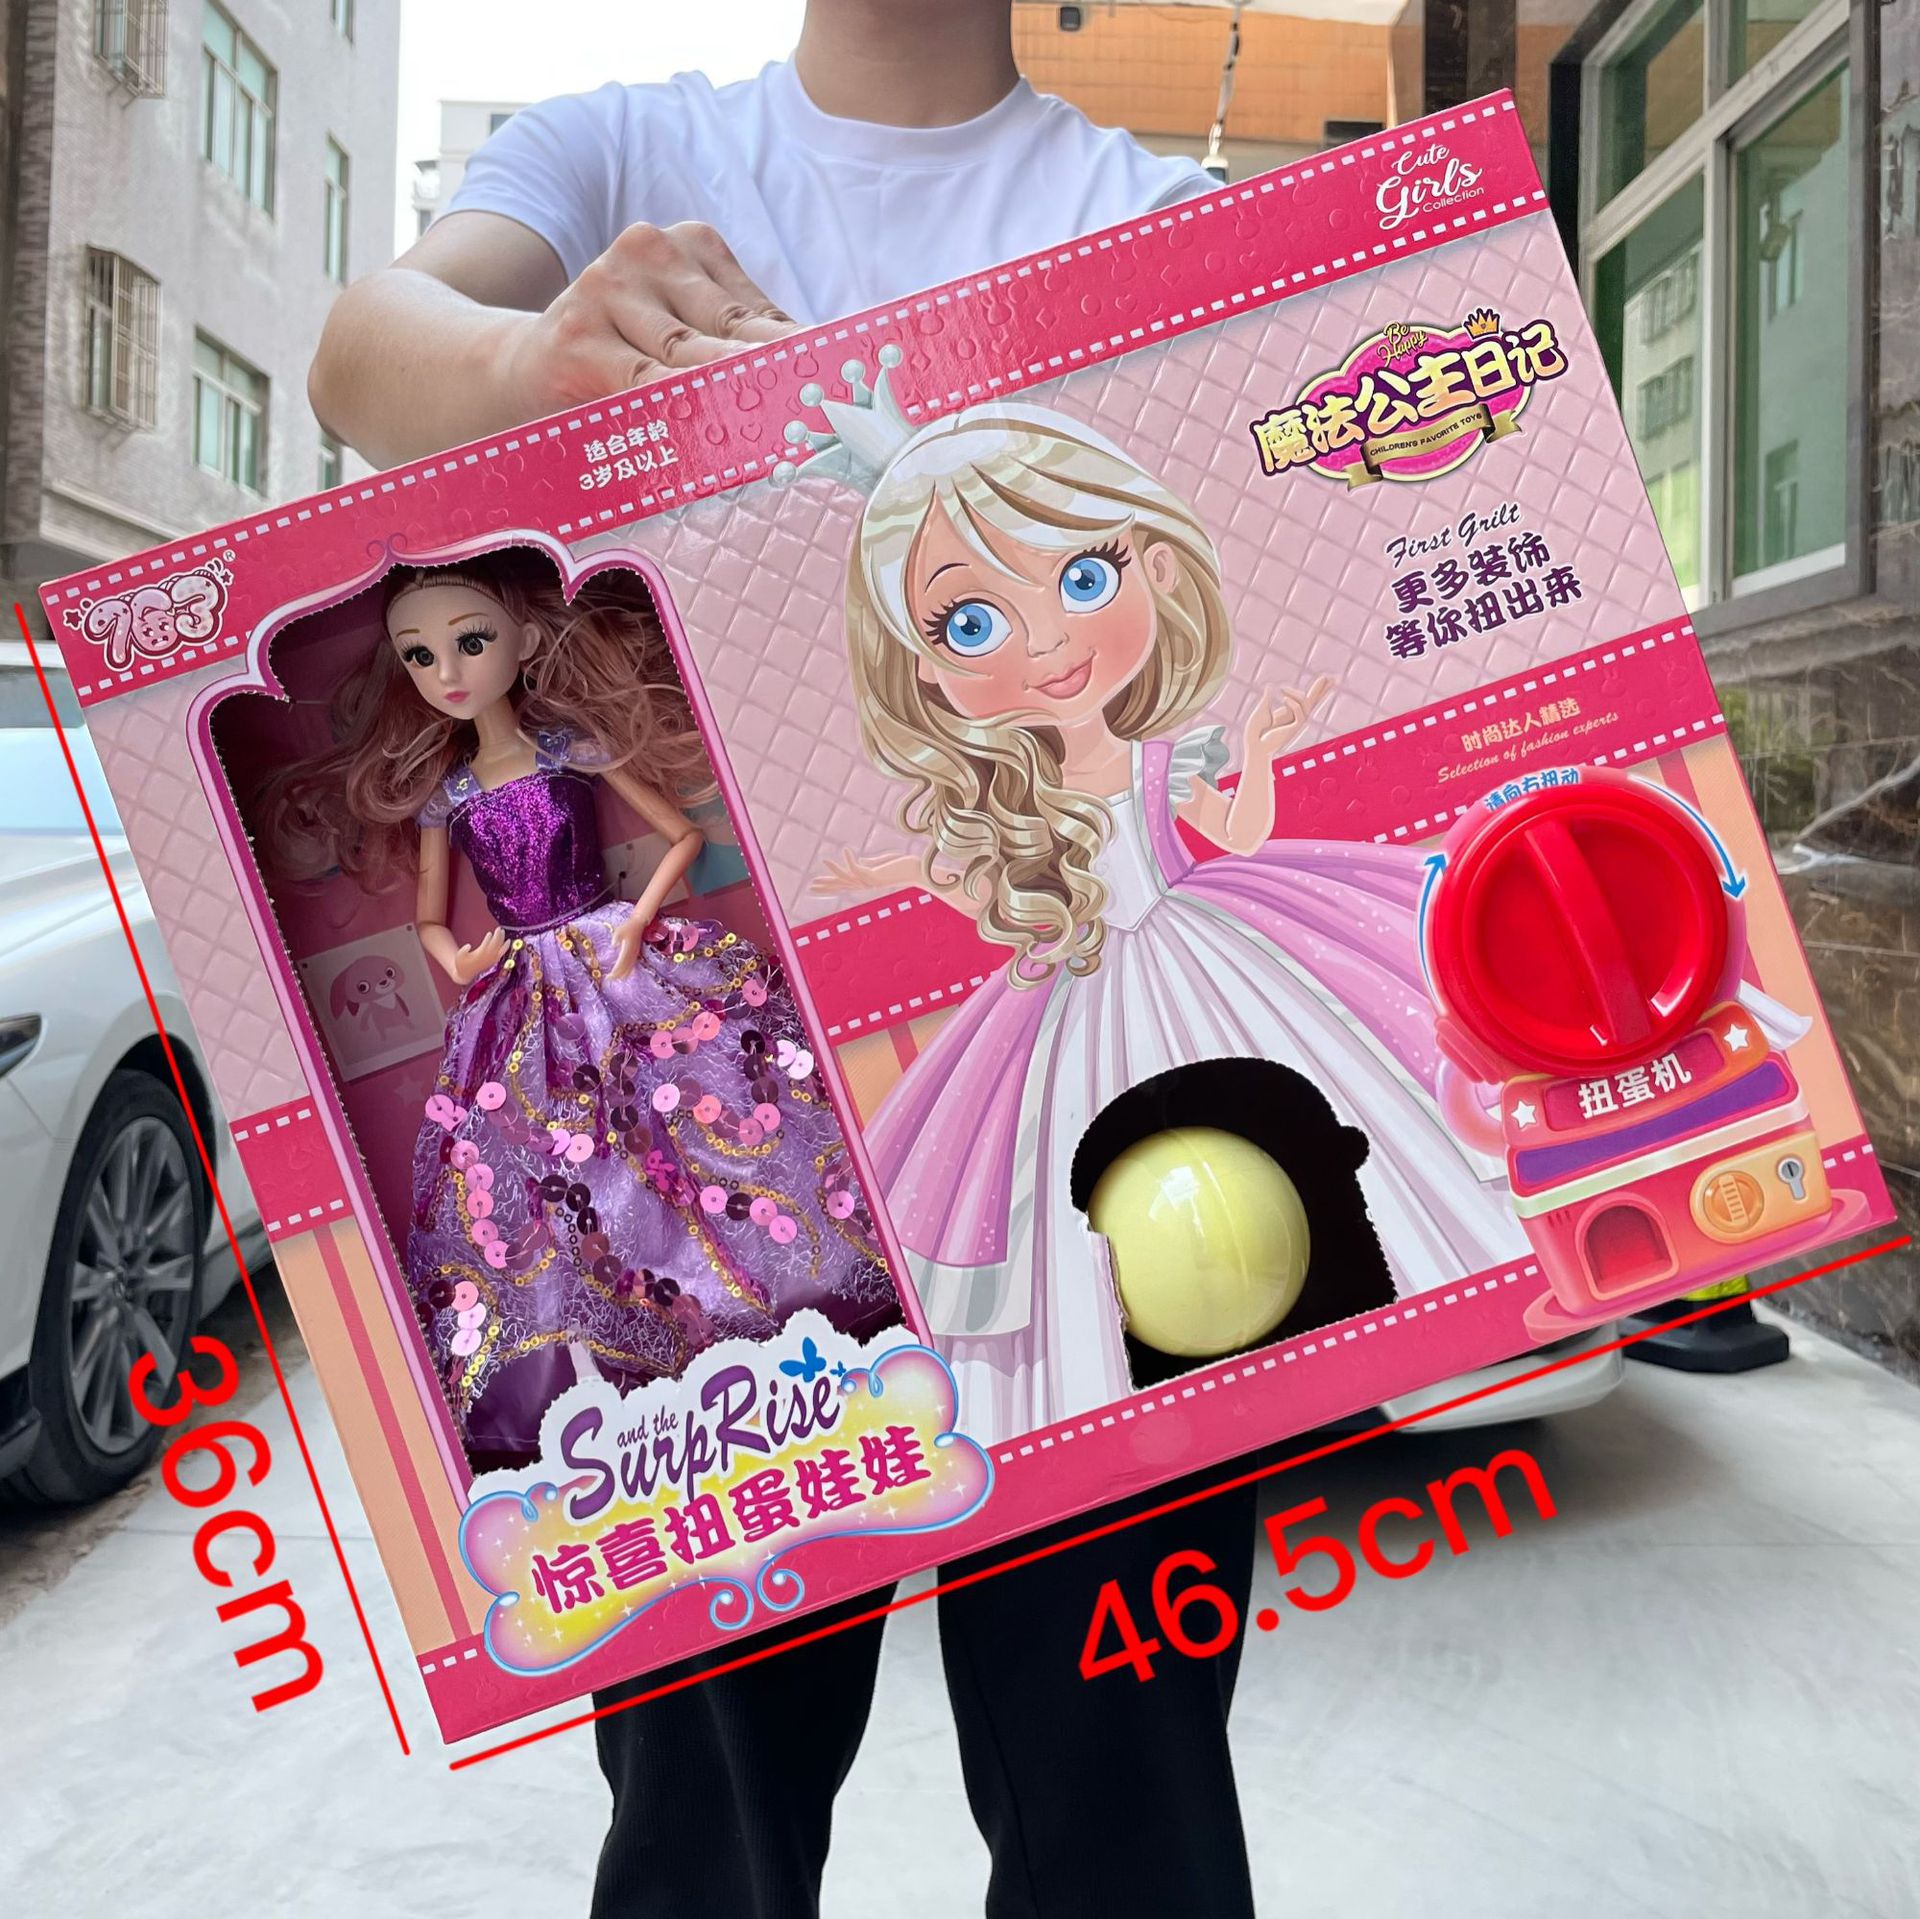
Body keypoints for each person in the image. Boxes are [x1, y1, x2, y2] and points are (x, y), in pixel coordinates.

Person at [311, 5, 1260, 1915]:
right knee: (706, 1816)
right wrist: (525, 364)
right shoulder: (616, 158)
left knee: (1126, 1803)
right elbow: (361, 353)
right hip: (712, 1152)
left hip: (1094, 1126)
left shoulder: (1166, 226)